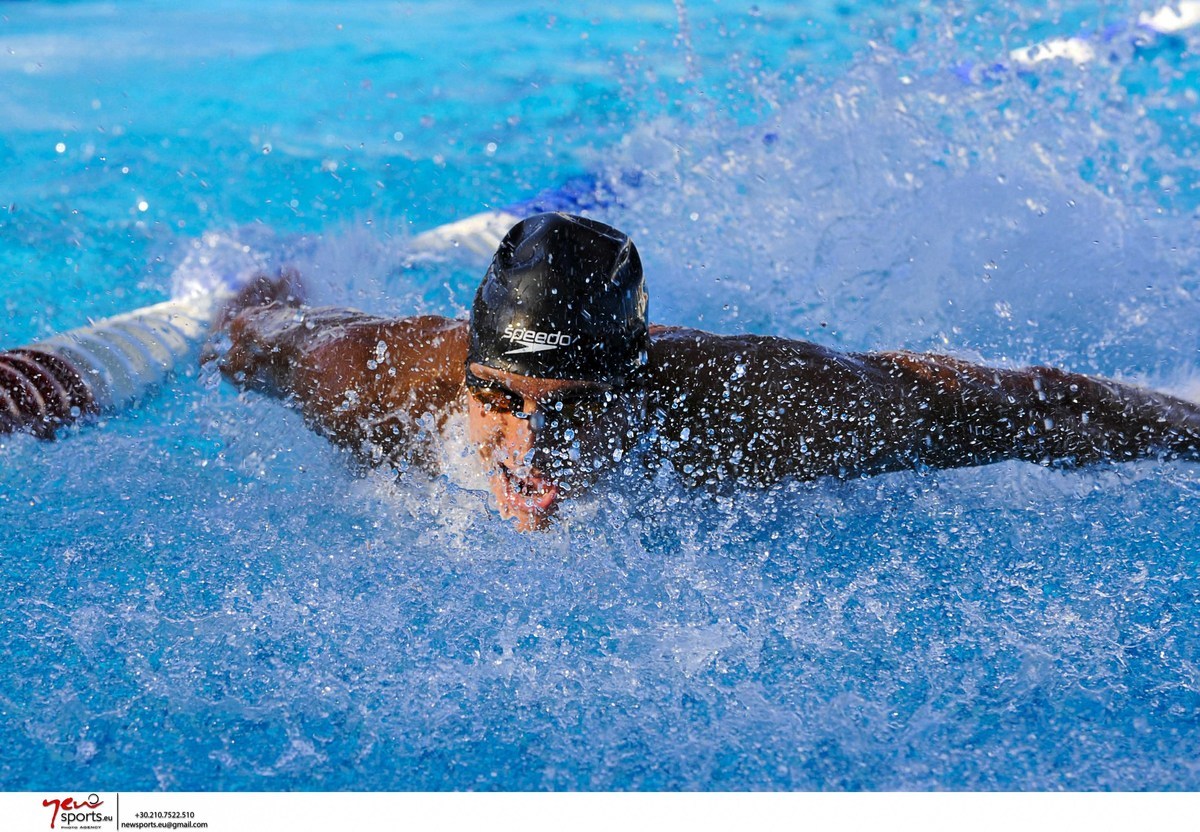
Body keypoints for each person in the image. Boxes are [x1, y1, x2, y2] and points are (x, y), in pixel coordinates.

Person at [211, 212, 1200, 531]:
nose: (531, 449)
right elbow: (263, 329)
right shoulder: (377, 384)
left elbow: (1022, 404)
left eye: (575, 410)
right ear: (470, 378)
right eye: (503, 401)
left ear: (634, 391)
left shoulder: (763, 407)